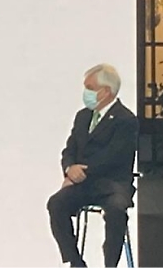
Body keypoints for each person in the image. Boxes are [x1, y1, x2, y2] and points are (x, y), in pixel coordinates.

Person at [47, 63, 138, 267]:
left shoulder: (126, 120)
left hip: (112, 184)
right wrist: (69, 168)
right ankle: (76, 262)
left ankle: (110, 264)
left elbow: (113, 156)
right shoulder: (83, 117)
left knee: (116, 211)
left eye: (90, 87)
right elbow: (69, 148)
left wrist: (80, 173)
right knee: (56, 204)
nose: (86, 93)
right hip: (84, 185)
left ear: (105, 91)